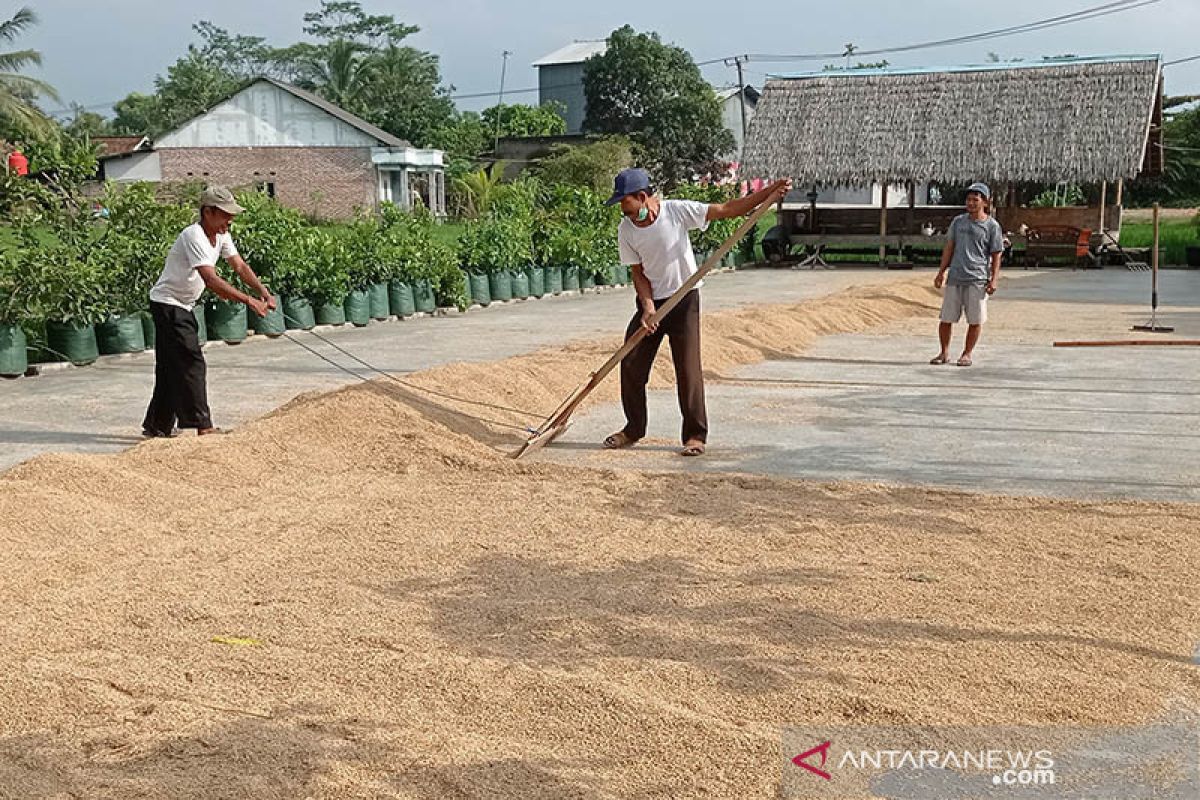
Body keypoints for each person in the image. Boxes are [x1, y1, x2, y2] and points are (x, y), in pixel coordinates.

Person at [601, 168, 791, 456]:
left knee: (688, 370)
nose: (624, 213)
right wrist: (648, 307)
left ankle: (695, 435)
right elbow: (638, 272)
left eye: (626, 205)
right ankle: (634, 428)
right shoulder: (626, 230)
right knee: (630, 362)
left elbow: (727, 209)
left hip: (685, 299)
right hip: (653, 304)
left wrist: (768, 192)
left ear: (642, 197)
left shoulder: (676, 212)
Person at [142, 186, 274, 438]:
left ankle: (157, 425)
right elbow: (211, 280)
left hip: (182, 304)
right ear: (208, 212)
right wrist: (249, 301)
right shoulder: (194, 236)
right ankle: (203, 425)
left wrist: (263, 292)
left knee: (171, 366)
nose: (230, 221)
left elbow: (239, 265)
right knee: (191, 361)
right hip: (168, 304)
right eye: (225, 215)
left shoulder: (221, 234)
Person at [931, 182, 1003, 368]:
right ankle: (944, 352)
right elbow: (950, 247)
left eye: (975, 200)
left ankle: (967, 353)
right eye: (968, 199)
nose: (970, 203)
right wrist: (941, 272)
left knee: (975, 319)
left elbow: (996, 254)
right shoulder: (958, 222)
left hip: (977, 278)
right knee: (946, 318)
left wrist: (994, 279)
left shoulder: (992, 226)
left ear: (985, 202)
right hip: (955, 276)